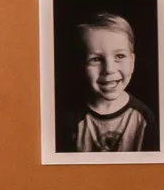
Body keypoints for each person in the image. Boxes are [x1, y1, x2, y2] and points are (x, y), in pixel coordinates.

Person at [63, 11, 158, 153]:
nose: (109, 70)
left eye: (120, 56)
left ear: (132, 62)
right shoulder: (69, 121)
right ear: (81, 65)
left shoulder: (143, 118)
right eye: (96, 59)